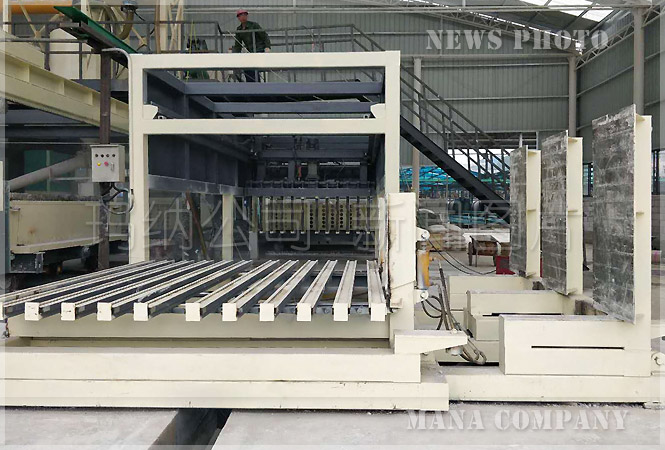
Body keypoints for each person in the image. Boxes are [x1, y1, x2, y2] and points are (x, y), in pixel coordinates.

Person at [232, 9, 271, 82]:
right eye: (241, 15)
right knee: (247, 68)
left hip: (259, 50)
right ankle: (251, 84)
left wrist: (267, 47)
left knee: (252, 67)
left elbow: (264, 36)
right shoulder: (239, 29)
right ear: (238, 18)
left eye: (245, 15)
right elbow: (238, 45)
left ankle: (255, 84)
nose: (243, 17)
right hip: (250, 52)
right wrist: (236, 56)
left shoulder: (254, 25)